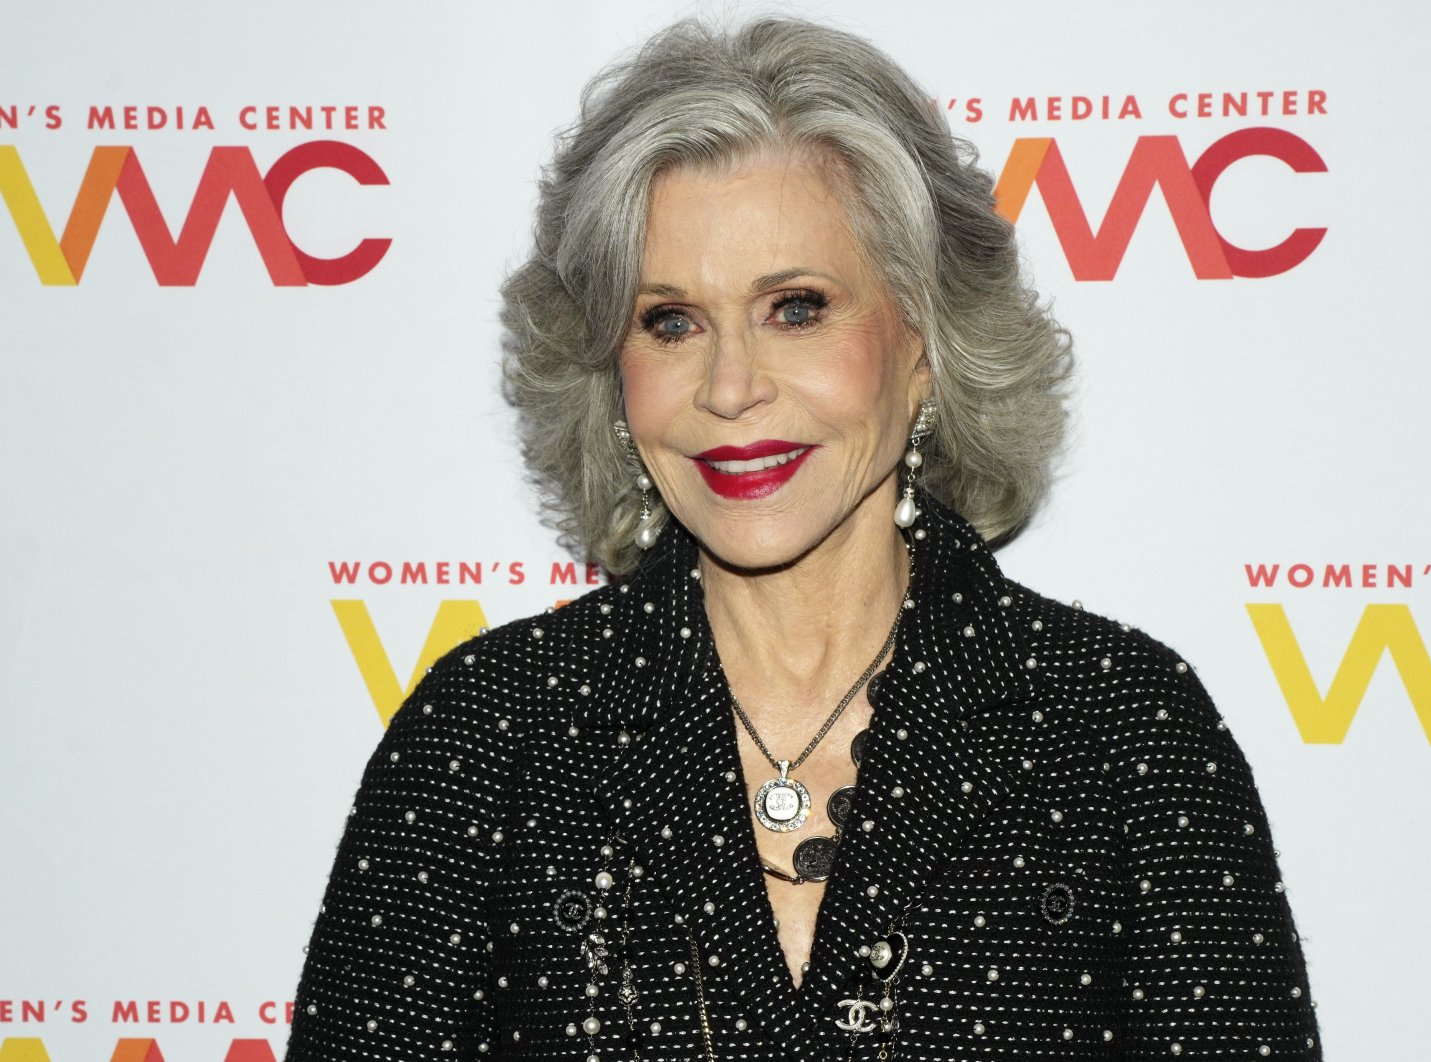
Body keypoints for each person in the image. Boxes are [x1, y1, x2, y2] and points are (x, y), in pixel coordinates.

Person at [283, 15, 1322, 1062]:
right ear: (609, 372)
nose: (731, 387)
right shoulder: (489, 738)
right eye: (671, 322)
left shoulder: (1120, 734)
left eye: (796, 307)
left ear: (925, 343)